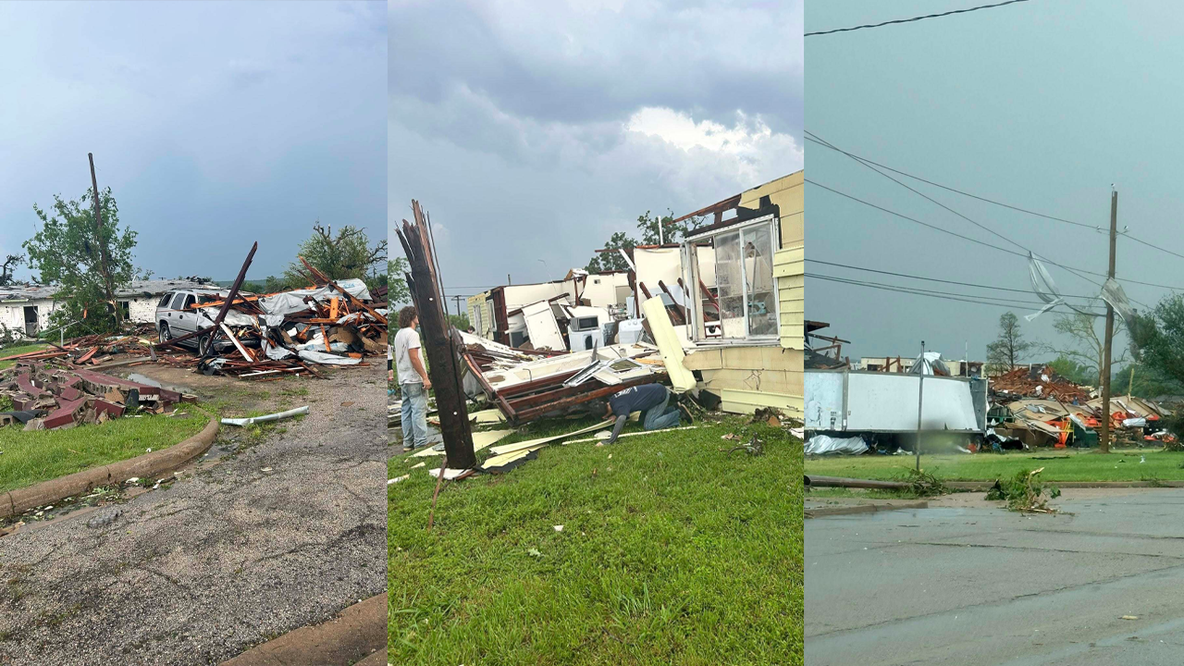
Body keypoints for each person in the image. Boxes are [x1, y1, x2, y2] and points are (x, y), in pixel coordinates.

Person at [394, 306, 432, 450]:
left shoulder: (399, 334)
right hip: (414, 378)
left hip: (403, 378)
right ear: (412, 317)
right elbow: (414, 357)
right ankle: (421, 443)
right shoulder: (412, 334)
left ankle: (408, 443)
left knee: (406, 410)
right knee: (418, 410)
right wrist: (424, 377)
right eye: (417, 315)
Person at [602, 383, 682, 444]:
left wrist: (610, 440)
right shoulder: (613, 399)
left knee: (649, 426)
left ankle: (680, 413)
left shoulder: (619, 405)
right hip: (656, 390)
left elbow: (622, 419)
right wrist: (616, 414)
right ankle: (674, 408)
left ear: (605, 415)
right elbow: (624, 404)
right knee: (641, 421)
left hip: (660, 396)